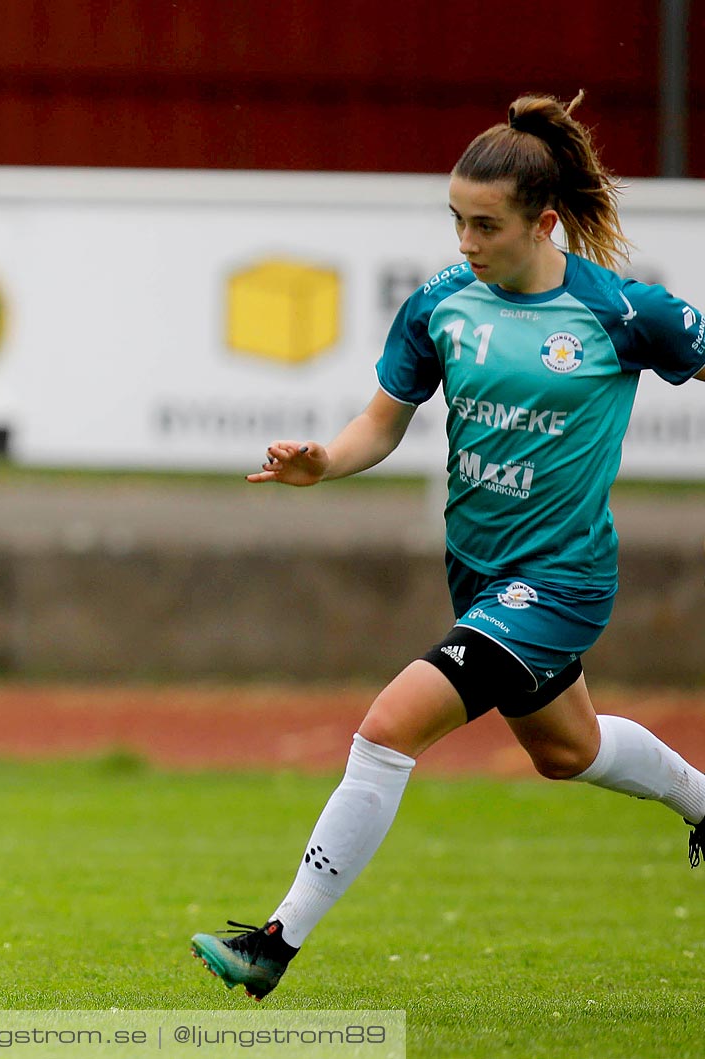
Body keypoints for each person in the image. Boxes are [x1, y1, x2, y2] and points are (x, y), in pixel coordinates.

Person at [191, 92, 705, 1000]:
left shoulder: (624, 312)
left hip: (561, 580)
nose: (465, 243)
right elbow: (380, 425)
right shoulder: (441, 303)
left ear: (545, 222)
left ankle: (276, 939)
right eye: (456, 221)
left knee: (388, 728)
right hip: (479, 575)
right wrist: (325, 462)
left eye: (485, 225)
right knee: (567, 751)